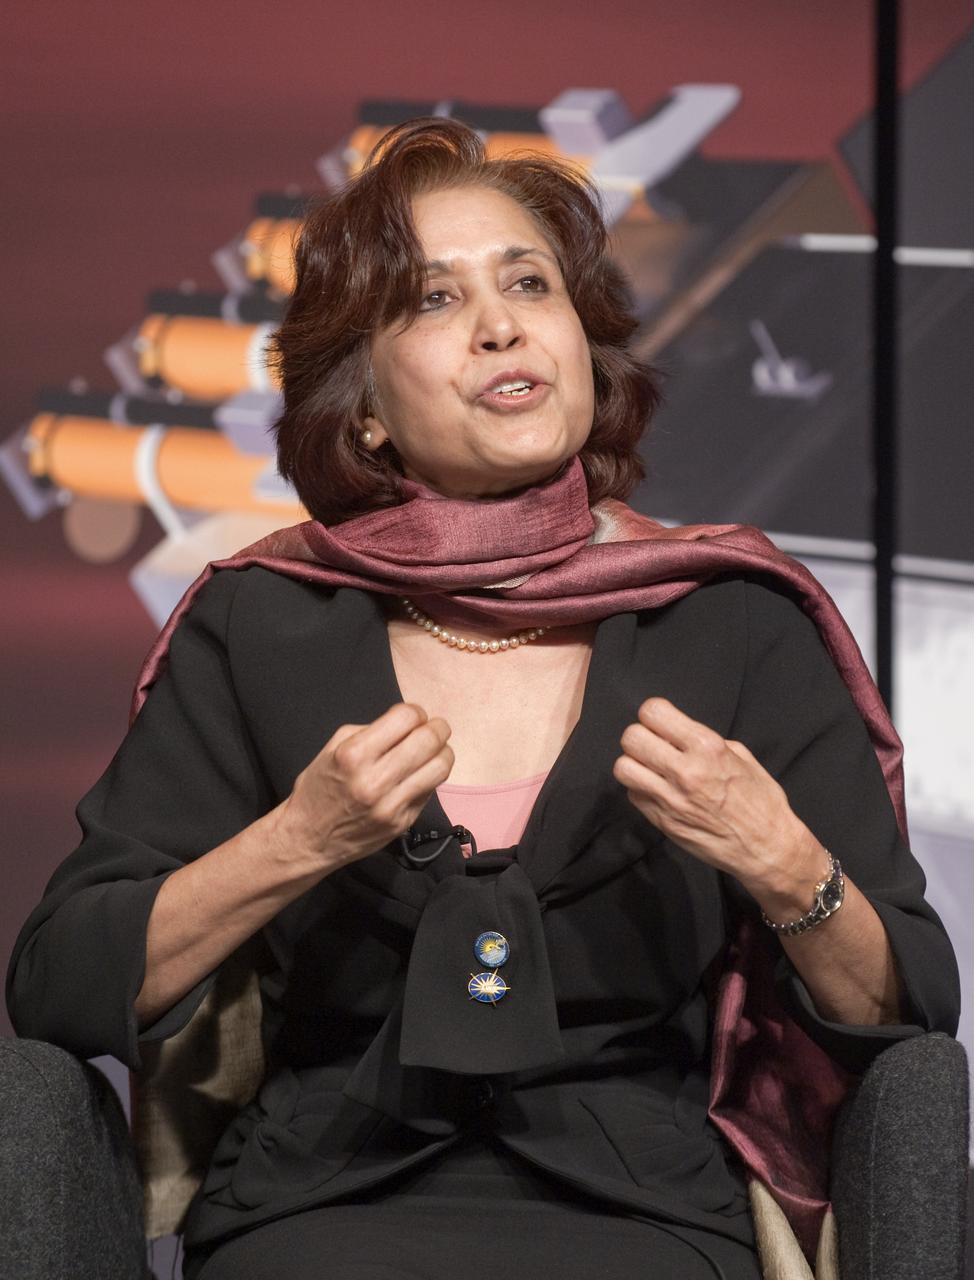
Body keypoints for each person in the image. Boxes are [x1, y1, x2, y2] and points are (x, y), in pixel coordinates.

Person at [6, 118, 960, 1280]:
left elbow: (909, 1005)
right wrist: (295, 842)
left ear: (579, 339)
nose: (499, 321)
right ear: (361, 408)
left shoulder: (729, 617)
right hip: (319, 1205)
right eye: (431, 300)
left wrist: (780, 861)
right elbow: (59, 983)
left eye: (527, 283)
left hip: (643, 1218)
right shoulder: (258, 624)